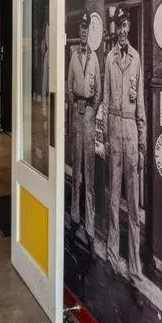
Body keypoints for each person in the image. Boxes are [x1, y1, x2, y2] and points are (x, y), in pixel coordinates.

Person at [102, 7, 146, 276]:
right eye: (118, 25)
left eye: (125, 25)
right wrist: (105, 137)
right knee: (113, 196)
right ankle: (111, 251)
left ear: (128, 27)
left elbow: (140, 103)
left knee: (133, 200)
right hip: (114, 130)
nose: (121, 30)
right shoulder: (108, 59)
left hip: (130, 129)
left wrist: (142, 144)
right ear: (115, 28)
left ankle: (135, 263)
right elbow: (106, 102)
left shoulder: (136, 59)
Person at [69, 13, 100, 240]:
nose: (83, 33)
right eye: (81, 29)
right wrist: (75, 104)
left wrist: (91, 108)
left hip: (88, 116)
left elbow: (99, 90)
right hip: (76, 117)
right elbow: (69, 86)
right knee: (76, 170)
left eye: (86, 29)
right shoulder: (73, 58)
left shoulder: (95, 58)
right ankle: (74, 218)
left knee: (89, 172)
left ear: (90, 33)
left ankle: (89, 224)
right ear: (78, 31)